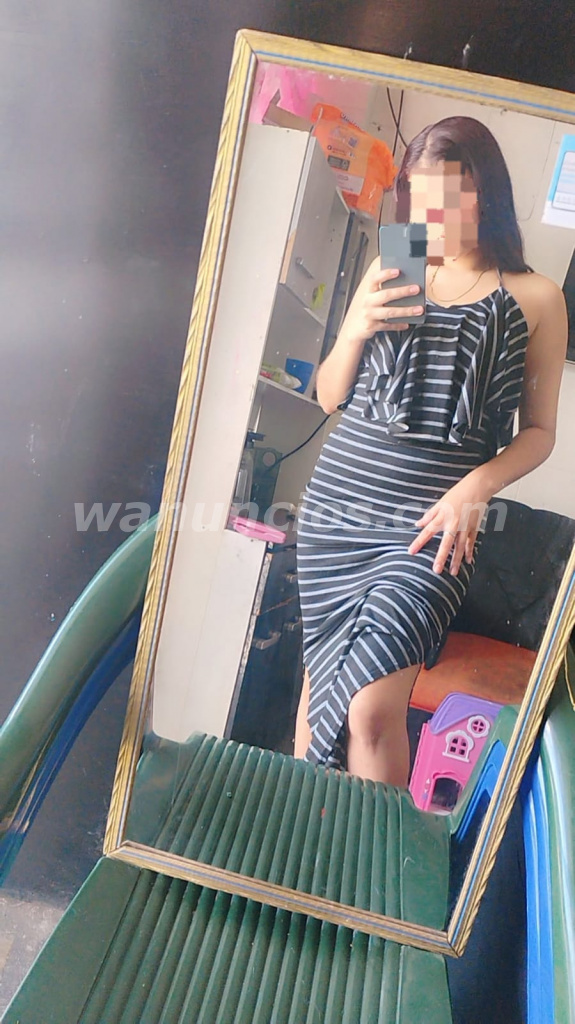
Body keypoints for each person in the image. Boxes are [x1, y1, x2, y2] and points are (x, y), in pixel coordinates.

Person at [293, 115, 567, 787]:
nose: (431, 216)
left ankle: (376, 856)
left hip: (431, 529)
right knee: (321, 687)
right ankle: (303, 842)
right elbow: (329, 396)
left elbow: (539, 432)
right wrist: (354, 328)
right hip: (339, 511)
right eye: (419, 198)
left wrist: (475, 486)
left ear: (486, 194)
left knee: (371, 710)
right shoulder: (396, 263)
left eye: (448, 197)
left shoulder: (535, 296)